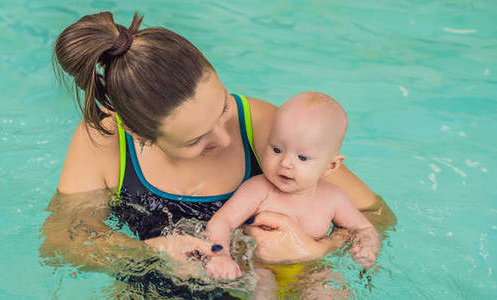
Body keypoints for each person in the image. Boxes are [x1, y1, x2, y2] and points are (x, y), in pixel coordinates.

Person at [40, 11, 397, 298]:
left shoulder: (267, 129)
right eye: (196, 140)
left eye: (224, 108)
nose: (226, 140)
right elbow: (60, 242)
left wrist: (316, 249)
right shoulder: (104, 140)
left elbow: (376, 215)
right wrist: (150, 251)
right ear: (137, 133)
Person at [205, 92, 381, 298]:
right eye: (277, 149)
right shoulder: (258, 189)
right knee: (263, 289)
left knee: (332, 291)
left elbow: (363, 227)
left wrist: (368, 248)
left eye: (302, 157)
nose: (286, 163)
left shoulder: (333, 198)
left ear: (331, 165)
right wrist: (221, 256)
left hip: (310, 269)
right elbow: (222, 221)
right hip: (260, 267)